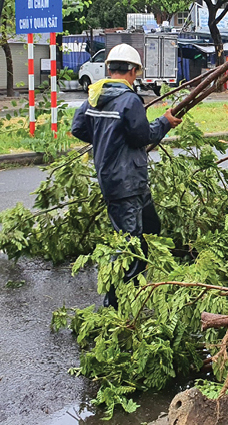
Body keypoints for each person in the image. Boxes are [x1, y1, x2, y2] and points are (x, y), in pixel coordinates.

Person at [70, 44, 180, 293]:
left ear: (109, 68)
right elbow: (143, 136)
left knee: (151, 227)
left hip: (125, 178)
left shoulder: (95, 95)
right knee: (129, 244)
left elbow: (78, 128)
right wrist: (165, 122)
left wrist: (105, 138)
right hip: (125, 182)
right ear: (132, 70)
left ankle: (152, 273)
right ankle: (118, 298)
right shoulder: (130, 99)